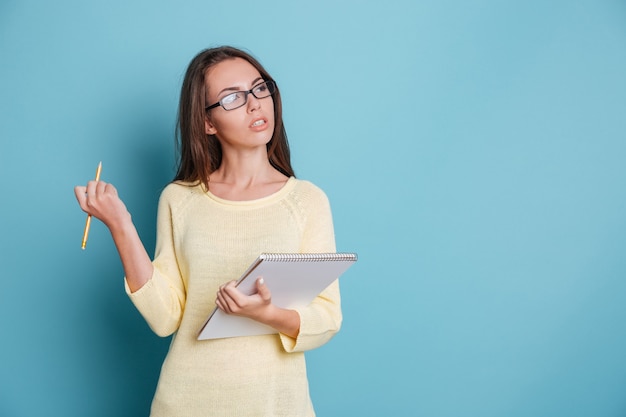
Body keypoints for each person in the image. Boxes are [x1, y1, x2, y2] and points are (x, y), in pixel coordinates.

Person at [74, 46, 341, 416]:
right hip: (186, 402)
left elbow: (327, 319)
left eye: (260, 88)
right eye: (232, 97)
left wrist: (267, 314)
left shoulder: (307, 201)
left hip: (276, 405)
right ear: (206, 123)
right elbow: (165, 317)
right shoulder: (179, 200)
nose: (254, 104)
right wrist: (120, 225)